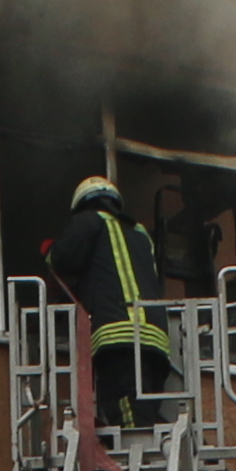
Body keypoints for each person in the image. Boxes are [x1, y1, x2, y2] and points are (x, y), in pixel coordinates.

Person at [56, 170, 177, 434]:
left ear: (82, 205)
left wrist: (50, 252)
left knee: (129, 416)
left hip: (119, 335)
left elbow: (64, 260)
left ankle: (138, 459)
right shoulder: (141, 234)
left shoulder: (90, 220)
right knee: (145, 407)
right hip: (155, 341)